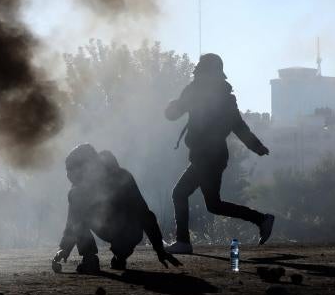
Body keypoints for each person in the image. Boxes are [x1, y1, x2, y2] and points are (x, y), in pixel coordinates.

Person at [164, 53, 275, 255]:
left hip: (207, 157)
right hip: (212, 156)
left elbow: (173, 114)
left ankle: (183, 242)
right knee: (214, 205)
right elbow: (239, 126)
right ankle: (262, 219)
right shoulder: (222, 97)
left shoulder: (198, 92)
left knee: (179, 193)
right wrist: (256, 146)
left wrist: (256, 146)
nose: (198, 76)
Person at [52, 144, 181, 273]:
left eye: (70, 169)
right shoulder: (79, 190)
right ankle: (93, 257)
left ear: (85, 167)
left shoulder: (121, 178)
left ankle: (113, 255)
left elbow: (144, 214)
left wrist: (159, 249)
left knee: (120, 242)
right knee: (77, 207)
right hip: (114, 230)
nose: (68, 175)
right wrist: (64, 248)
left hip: (129, 233)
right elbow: (73, 222)